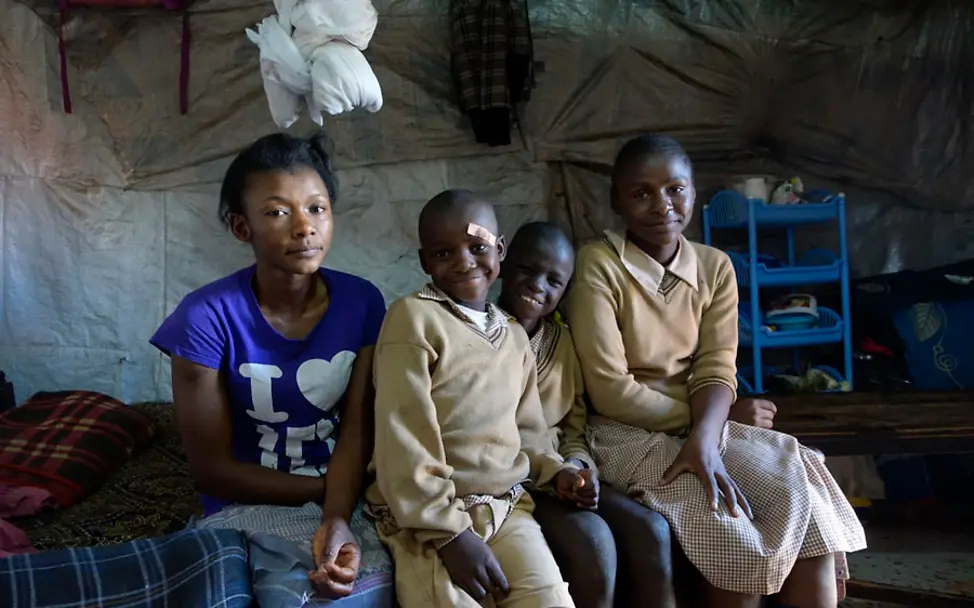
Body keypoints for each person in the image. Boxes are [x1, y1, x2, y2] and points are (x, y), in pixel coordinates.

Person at [564, 133, 867, 608]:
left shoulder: (715, 266)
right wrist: (711, 422)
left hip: (705, 427)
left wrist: (708, 434)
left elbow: (715, 367)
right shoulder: (598, 264)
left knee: (806, 509)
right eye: (641, 193)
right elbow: (610, 389)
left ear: (693, 191)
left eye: (675, 189)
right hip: (624, 434)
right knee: (731, 532)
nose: (662, 205)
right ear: (616, 202)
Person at [150, 133, 393, 607]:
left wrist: (337, 514)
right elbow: (212, 471)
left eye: (317, 208)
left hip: (344, 496)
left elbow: (356, 429)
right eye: (279, 212)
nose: (305, 227)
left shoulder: (362, 301)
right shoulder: (205, 318)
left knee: (380, 588)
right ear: (242, 228)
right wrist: (331, 492)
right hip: (250, 502)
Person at [365, 189, 586, 608]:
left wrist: (556, 472)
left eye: (477, 247)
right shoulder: (413, 319)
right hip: (426, 520)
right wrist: (450, 535)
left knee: (552, 600)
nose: (464, 261)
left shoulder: (513, 335)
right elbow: (403, 438)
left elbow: (527, 431)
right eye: (444, 253)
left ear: (499, 251)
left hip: (505, 510)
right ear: (425, 262)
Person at [497, 221, 680, 608]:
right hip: (511, 478)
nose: (537, 286)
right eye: (527, 270)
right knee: (593, 541)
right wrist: (554, 471)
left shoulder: (562, 342)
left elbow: (573, 427)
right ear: (502, 264)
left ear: (565, 292)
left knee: (652, 529)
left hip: (560, 476)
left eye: (554, 281)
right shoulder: (480, 335)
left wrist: (580, 468)